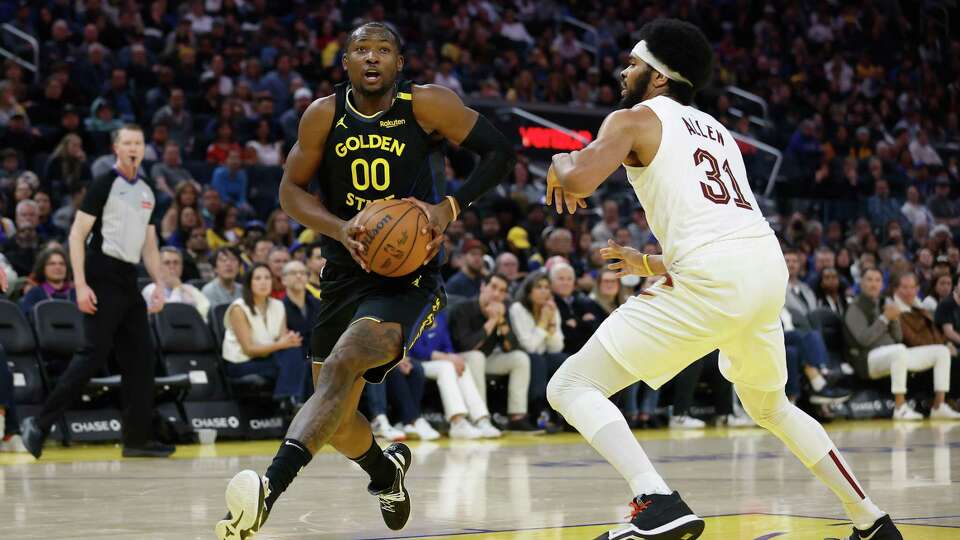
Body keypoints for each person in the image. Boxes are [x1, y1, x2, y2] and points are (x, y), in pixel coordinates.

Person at [542, 20, 903, 540]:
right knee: (771, 405)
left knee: (571, 384)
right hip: (763, 268)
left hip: (715, 277)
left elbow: (576, 178)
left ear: (660, 77)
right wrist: (647, 264)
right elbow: (721, 230)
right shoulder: (719, 133)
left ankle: (657, 500)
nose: (625, 71)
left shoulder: (633, 118)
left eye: (634, 64)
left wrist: (559, 163)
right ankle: (872, 520)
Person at [217, 22, 516, 539]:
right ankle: (386, 472)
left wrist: (449, 207)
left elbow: (501, 151)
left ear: (400, 63)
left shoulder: (427, 105)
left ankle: (267, 494)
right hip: (343, 272)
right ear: (346, 63)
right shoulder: (322, 116)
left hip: (409, 277)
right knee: (334, 415)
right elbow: (290, 191)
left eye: (383, 50)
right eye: (361, 50)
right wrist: (340, 227)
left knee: (343, 363)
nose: (372, 58)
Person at [20, 124, 175, 459]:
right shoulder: (104, 184)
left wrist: (159, 283)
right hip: (100, 271)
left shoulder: (147, 192)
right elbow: (77, 235)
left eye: (139, 142)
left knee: (142, 359)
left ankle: (136, 439)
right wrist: (80, 283)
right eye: (127, 142)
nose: (134, 147)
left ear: (144, 148)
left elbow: (149, 244)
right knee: (92, 354)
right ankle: (39, 424)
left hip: (127, 277)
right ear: (115, 148)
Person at [845, 268, 959, 421]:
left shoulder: (884, 303)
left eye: (877, 280)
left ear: (882, 284)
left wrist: (894, 319)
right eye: (869, 280)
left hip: (893, 354)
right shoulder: (855, 307)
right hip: (867, 360)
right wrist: (884, 318)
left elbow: (897, 337)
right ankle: (900, 407)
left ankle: (939, 405)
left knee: (941, 351)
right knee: (898, 350)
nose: (873, 284)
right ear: (861, 283)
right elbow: (863, 340)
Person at [408, 310, 501, 439]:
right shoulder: (413, 315)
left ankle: (481, 419)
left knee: (460, 365)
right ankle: (457, 422)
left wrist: (452, 356)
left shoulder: (439, 316)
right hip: (417, 362)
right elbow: (417, 349)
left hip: (438, 361)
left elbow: (447, 344)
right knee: (447, 366)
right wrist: (446, 357)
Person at [221, 264, 305, 400]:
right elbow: (249, 350)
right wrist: (282, 344)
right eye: (258, 278)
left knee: (296, 354)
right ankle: (288, 400)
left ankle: (288, 400)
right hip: (241, 363)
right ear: (249, 283)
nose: (263, 282)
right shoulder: (238, 308)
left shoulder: (278, 305)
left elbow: (283, 340)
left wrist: (291, 340)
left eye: (267, 278)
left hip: (267, 358)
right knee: (290, 365)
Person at [509, 271, 566, 423]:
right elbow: (529, 347)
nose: (544, 291)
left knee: (563, 360)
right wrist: (543, 322)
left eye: (547, 287)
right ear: (528, 291)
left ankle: (563, 411)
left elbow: (556, 348)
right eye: (539, 287)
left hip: (542, 355)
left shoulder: (551, 309)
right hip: (523, 356)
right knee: (537, 360)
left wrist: (552, 323)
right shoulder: (518, 309)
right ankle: (538, 411)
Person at [281, 260, 320, 403]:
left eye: (303, 273)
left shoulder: (318, 303)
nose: (299, 276)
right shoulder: (279, 307)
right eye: (293, 273)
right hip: (298, 359)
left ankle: (383, 416)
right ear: (283, 279)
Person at [141, 247, 211, 322]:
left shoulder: (191, 289)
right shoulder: (151, 290)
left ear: (182, 267)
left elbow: (206, 313)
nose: (172, 266)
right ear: (158, 266)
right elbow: (172, 315)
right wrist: (176, 288)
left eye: (176, 262)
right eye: (167, 263)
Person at [19, 246, 75, 316]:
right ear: (43, 268)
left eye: (62, 264)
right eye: (52, 264)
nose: (58, 267)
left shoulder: (76, 294)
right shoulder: (34, 293)